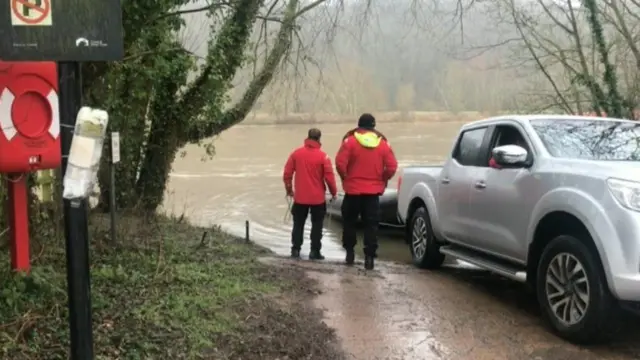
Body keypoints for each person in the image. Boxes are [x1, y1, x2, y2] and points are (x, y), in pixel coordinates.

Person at [335, 113, 398, 270]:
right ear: (373, 126)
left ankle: (349, 254)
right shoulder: (383, 144)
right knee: (371, 226)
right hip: (373, 194)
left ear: (359, 125)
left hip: (353, 192)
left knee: (349, 222)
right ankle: (369, 258)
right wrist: (382, 179)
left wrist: (346, 178)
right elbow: (392, 167)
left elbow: (340, 163)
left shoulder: (349, 142)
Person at [283, 128, 338, 260]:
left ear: (307, 137)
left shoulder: (296, 154)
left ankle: (295, 250)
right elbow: (329, 178)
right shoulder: (323, 156)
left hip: (300, 198)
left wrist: (289, 190)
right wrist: (334, 193)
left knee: (298, 224)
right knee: (317, 225)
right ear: (319, 139)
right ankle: (315, 252)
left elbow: (287, 174)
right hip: (317, 199)